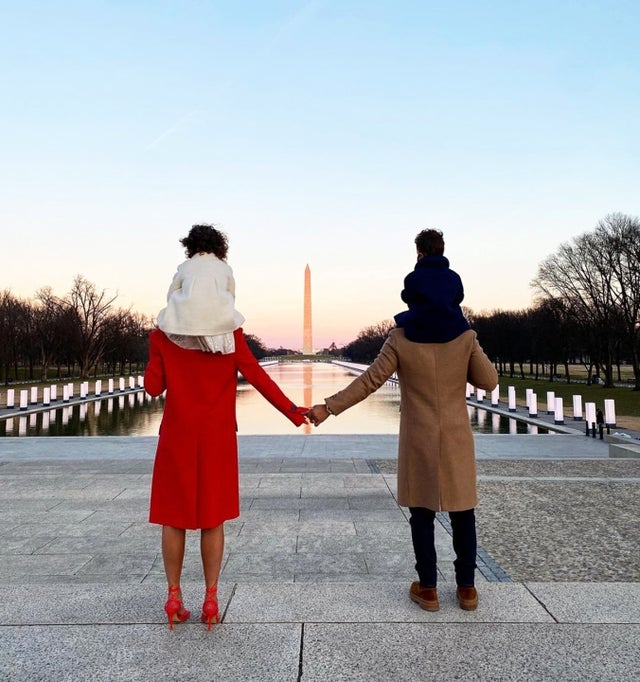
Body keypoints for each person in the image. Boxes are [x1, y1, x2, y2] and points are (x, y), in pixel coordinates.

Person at [145, 228, 307, 631]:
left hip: (177, 436)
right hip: (216, 438)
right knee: (212, 520)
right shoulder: (231, 337)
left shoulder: (163, 336)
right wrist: (293, 411)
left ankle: (173, 597)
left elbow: (152, 387)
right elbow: (258, 378)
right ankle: (212, 600)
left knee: (174, 519)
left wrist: (158, 353)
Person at [307, 323, 497, 612]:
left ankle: (429, 589)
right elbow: (489, 381)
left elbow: (370, 380)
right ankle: (467, 588)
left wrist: (329, 408)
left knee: (421, 514)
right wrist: (466, 346)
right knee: (463, 513)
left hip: (419, 437)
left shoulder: (401, 337)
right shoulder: (465, 337)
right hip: (456, 436)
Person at [156, 223, 245, 354]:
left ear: (189, 246)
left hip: (186, 317)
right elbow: (232, 295)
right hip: (217, 318)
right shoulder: (225, 268)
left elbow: (171, 293)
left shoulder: (185, 266)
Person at [394, 228, 470, 343]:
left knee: (400, 323)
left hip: (419, 330)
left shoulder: (413, 278)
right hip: (451, 329)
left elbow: (407, 297)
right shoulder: (454, 277)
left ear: (420, 254)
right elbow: (459, 298)